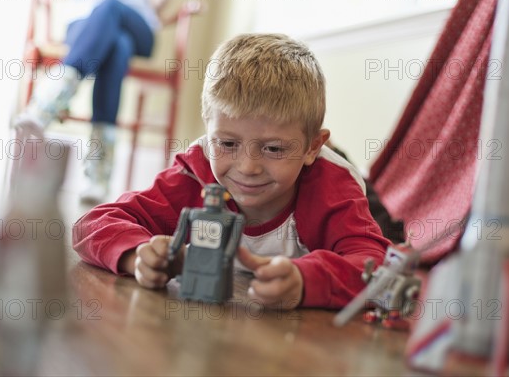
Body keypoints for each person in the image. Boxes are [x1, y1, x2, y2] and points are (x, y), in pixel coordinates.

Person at [72, 33, 391, 309]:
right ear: (208, 132)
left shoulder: (330, 188)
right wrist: (136, 254)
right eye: (227, 143)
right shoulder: (195, 176)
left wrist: (307, 281)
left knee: (393, 232)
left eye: (273, 149)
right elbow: (93, 224)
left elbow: (374, 265)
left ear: (312, 147)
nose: (247, 167)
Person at [15, 0, 171, 203]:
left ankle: (49, 101)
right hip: (85, 26)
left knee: (110, 5)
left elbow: (158, 1)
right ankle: (99, 175)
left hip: (137, 24)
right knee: (118, 47)